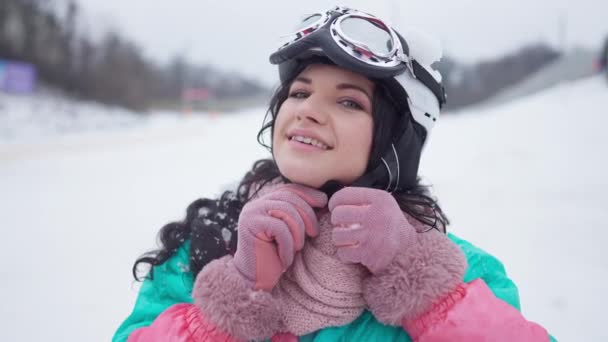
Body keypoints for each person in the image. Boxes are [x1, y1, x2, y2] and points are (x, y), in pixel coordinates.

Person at [114, 6, 555, 342]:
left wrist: (421, 283)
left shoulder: (461, 273)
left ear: (395, 143)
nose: (307, 110)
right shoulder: (209, 245)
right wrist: (238, 292)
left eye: (349, 103)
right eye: (300, 92)